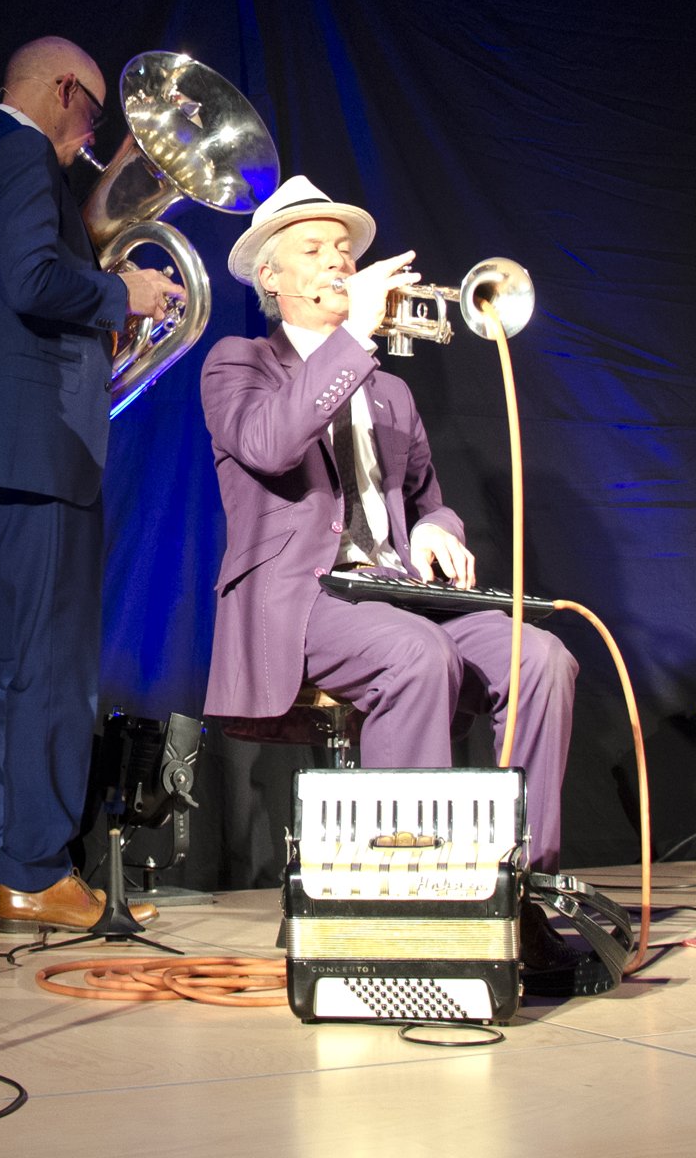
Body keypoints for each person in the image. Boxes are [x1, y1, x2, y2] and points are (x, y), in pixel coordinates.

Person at [200, 175, 580, 966]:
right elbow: (270, 444)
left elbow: (426, 501)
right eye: (313, 249)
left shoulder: (391, 395)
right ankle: (410, 896)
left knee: (541, 656)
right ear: (269, 275)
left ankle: (523, 891)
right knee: (417, 654)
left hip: (397, 594)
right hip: (303, 600)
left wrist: (440, 528)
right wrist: (354, 339)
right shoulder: (239, 363)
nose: (337, 262)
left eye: (343, 249)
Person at [0, 36, 184, 932]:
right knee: (52, 670)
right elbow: (34, 278)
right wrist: (126, 296)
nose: (93, 139)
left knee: (11, 667)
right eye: (93, 117)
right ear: (65, 89)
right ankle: (37, 870)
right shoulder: (23, 153)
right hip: (39, 448)